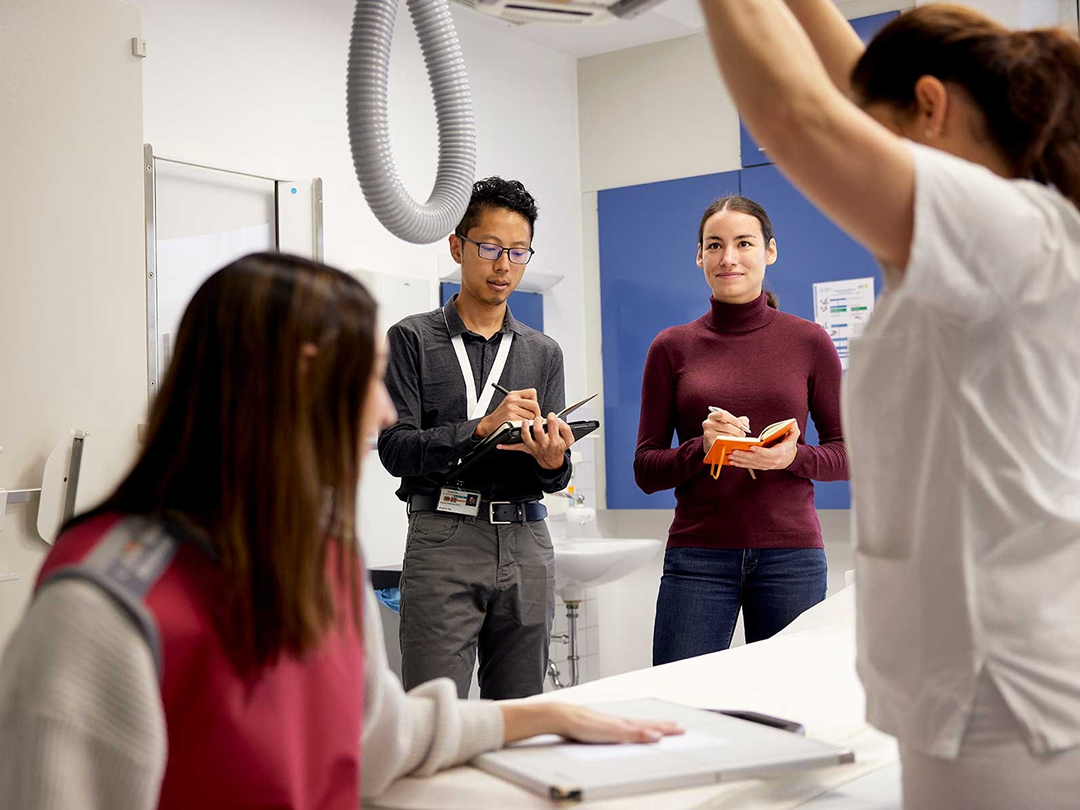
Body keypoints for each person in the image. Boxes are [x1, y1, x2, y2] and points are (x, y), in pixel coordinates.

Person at [0, 253, 680, 808]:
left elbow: (375, 735)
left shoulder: (320, 553)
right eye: (365, 378)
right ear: (296, 377)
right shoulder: (105, 605)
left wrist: (547, 716)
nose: (383, 412)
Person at [698, 1, 1080, 806]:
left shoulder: (1008, 229)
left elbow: (803, 117)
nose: (866, 155)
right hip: (986, 688)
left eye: (876, 133)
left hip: (1007, 698)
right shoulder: (1016, 239)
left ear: (933, 107)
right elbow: (857, 95)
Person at [378, 177, 576, 700]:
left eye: (518, 252)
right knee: (433, 710)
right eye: (490, 248)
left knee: (520, 711)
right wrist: (480, 428)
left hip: (528, 539)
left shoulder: (543, 351)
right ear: (457, 246)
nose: (503, 265)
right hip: (444, 535)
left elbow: (553, 476)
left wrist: (552, 459)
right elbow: (395, 449)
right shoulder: (412, 338)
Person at [635, 194, 848, 665]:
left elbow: (849, 453)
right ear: (700, 256)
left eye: (744, 243)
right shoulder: (670, 347)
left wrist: (793, 456)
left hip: (791, 557)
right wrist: (701, 447)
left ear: (769, 250)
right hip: (698, 557)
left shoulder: (810, 341)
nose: (728, 257)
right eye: (714, 245)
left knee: (789, 701)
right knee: (679, 696)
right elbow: (646, 469)